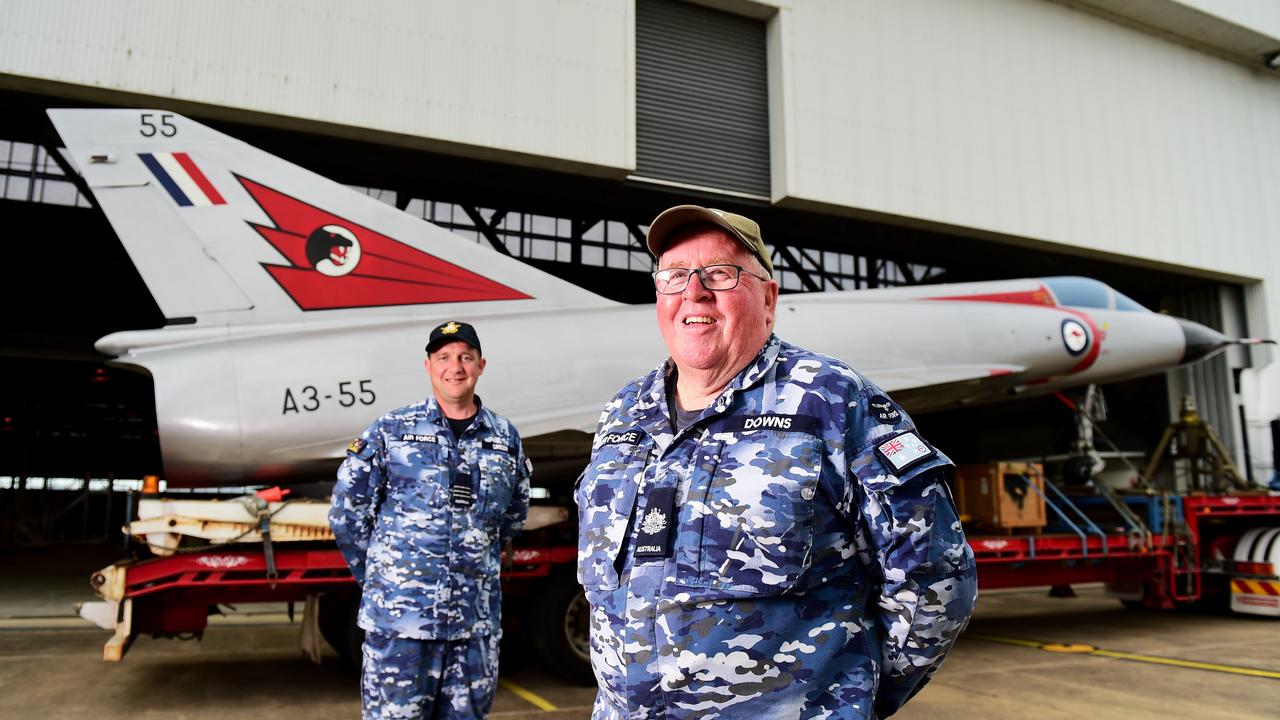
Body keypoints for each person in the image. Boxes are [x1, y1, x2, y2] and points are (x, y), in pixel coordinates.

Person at [575, 205, 977, 719]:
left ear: (768, 298)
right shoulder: (624, 411)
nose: (693, 293)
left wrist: (852, 697)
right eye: (674, 276)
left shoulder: (830, 400)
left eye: (720, 274)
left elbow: (936, 578)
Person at [331, 320, 531, 720]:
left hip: (473, 627)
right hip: (401, 625)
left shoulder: (504, 438)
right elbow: (346, 514)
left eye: (464, 357)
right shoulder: (393, 430)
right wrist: (380, 581)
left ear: (480, 365)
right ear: (428, 366)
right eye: (443, 357)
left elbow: (512, 517)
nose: (454, 367)